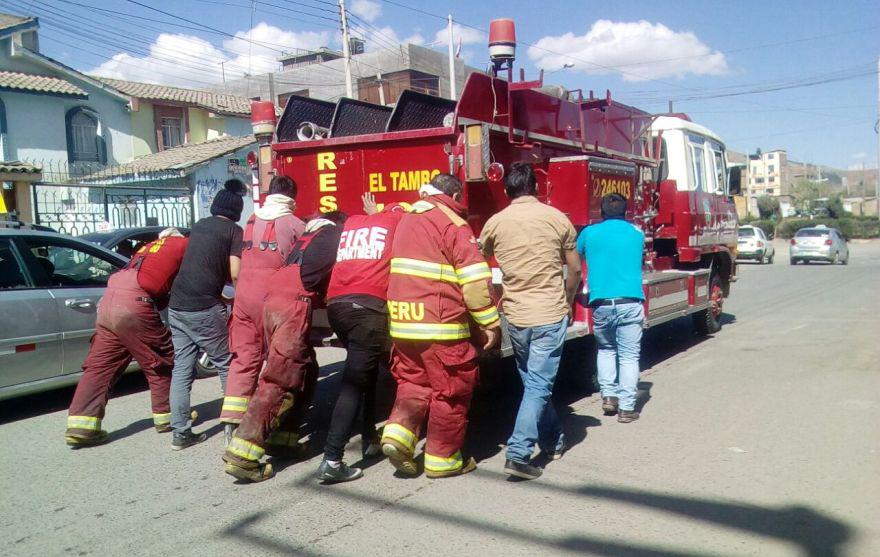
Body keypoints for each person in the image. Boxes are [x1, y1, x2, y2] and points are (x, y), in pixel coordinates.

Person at [380, 174, 500, 479]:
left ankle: (397, 437)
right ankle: (442, 460)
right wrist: (489, 324)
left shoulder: (409, 218)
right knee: (452, 391)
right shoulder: (451, 223)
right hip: (441, 325)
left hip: (403, 324)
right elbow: (474, 283)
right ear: (456, 194)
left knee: (413, 383)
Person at [223, 212, 347, 482]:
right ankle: (243, 452)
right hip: (293, 301)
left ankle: (284, 438)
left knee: (306, 368)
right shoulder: (335, 236)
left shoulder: (309, 236)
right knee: (281, 375)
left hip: (274, 296)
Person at [479, 162, 582, 480]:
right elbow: (575, 270)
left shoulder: (494, 223)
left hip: (516, 316)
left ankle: (553, 440)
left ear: (507, 190)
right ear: (536, 188)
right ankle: (518, 453)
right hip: (549, 313)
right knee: (538, 383)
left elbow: (480, 267)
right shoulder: (557, 219)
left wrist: (493, 300)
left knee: (534, 382)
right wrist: (568, 302)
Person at [316, 193, 409, 483]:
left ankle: (370, 439)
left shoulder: (355, 222)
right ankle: (332, 458)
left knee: (366, 373)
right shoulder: (396, 220)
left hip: (337, 307)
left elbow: (375, 217)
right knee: (355, 382)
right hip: (367, 310)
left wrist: (374, 211)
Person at [66, 228, 189, 447]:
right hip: (134, 304)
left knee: (100, 366)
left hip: (108, 302)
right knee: (159, 360)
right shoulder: (182, 245)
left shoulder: (148, 248)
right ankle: (167, 416)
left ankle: (81, 425)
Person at [221, 176, 305, 444]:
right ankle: (268, 424)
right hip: (272, 298)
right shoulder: (293, 223)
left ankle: (231, 421)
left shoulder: (251, 219)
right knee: (277, 361)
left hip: (244, 295)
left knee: (244, 357)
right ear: (292, 197)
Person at [167, 180, 244, 450]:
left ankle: (180, 432)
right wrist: (243, 292)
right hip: (201, 308)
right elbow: (235, 272)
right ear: (237, 210)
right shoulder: (234, 231)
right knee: (226, 362)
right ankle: (235, 428)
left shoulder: (199, 225)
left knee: (182, 368)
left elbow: (201, 266)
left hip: (176, 305)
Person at [576, 193, 645, 423]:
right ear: (625, 212)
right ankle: (626, 409)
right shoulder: (637, 234)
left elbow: (576, 257)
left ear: (602, 212)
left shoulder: (589, 233)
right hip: (630, 302)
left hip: (602, 304)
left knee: (606, 350)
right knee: (628, 357)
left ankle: (608, 397)